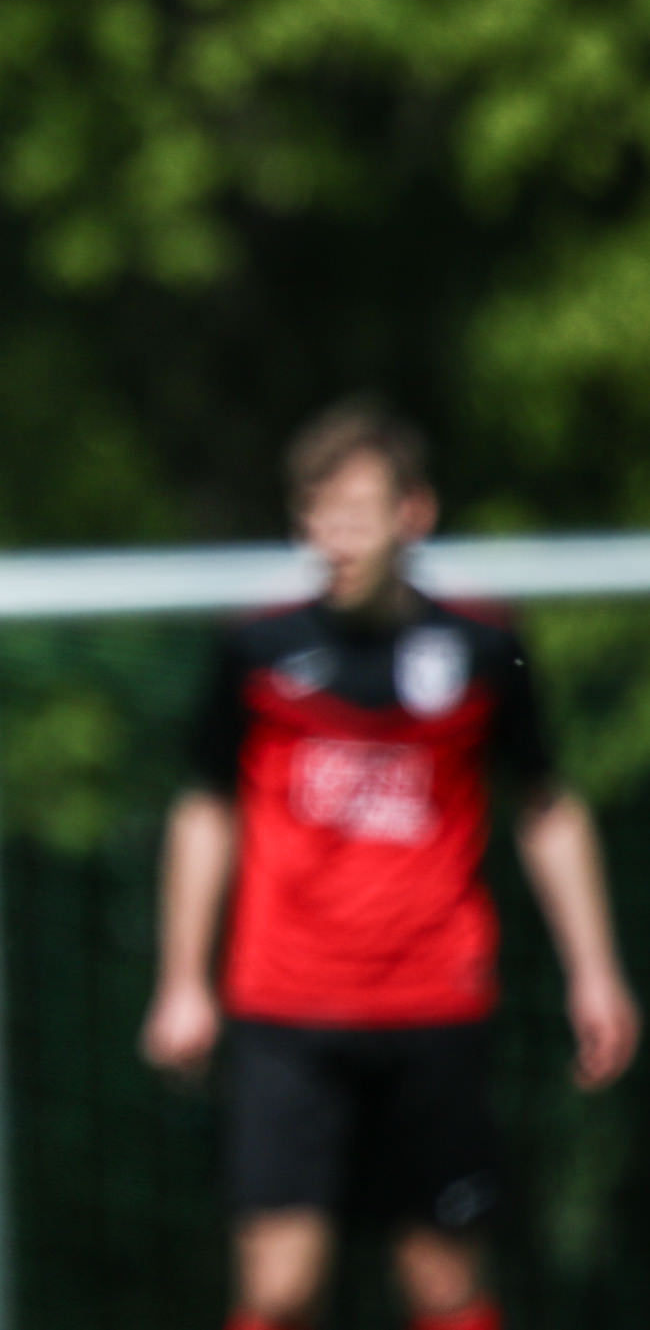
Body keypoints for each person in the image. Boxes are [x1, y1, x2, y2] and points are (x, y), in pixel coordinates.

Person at [140, 401, 639, 1330]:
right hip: (286, 1005)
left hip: (434, 1001)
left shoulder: (485, 646)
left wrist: (595, 972)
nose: (333, 537)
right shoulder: (257, 646)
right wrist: (181, 980)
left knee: (443, 1283)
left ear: (415, 513)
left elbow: (546, 804)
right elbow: (206, 807)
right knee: (279, 1287)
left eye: (355, 513)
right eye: (315, 513)